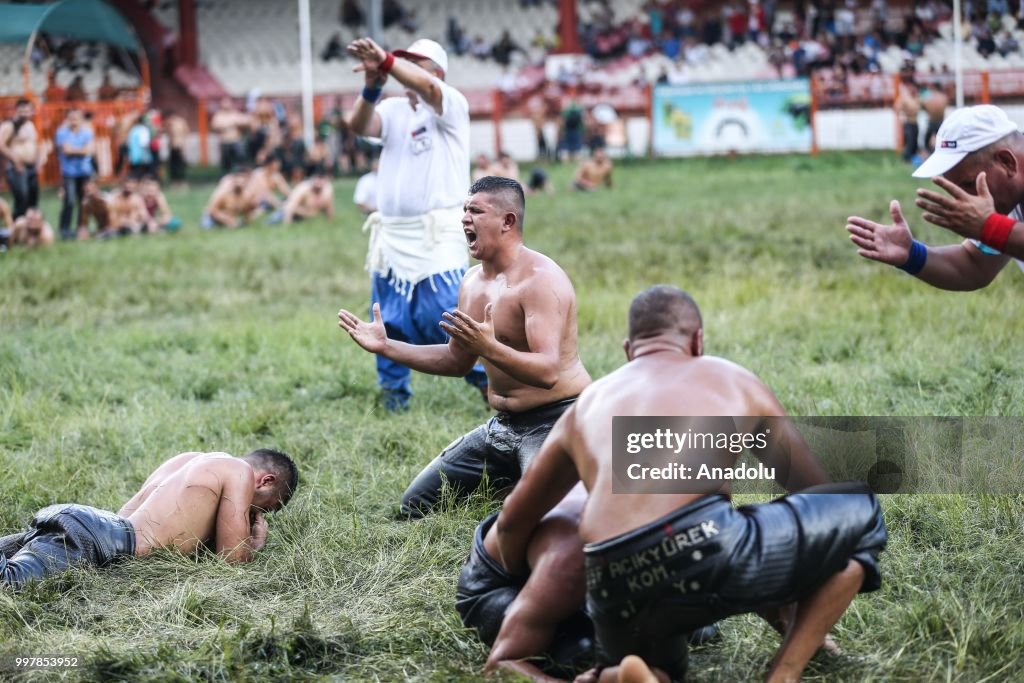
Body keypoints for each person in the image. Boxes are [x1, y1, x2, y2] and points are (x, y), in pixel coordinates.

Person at [492, 286, 888, 683]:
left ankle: (623, 675)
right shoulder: (730, 377)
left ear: (629, 350)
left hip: (610, 578)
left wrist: (507, 578)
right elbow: (811, 489)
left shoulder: (587, 404)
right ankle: (783, 674)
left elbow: (514, 518)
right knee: (857, 512)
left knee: (659, 672)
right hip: (702, 544)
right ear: (697, 341)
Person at [338, 176, 592, 517]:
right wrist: (386, 347)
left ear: (507, 221)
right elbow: (457, 360)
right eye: (463, 210)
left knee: (546, 516)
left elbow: (547, 372)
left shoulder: (540, 281)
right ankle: (510, 480)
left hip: (558, 418)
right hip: (502, 425)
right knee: (414, 506)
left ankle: (530, 482)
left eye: (475, 211)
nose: (464, 219)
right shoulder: (472, 284)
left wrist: (488, 347)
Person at [344, 36, 488, 410]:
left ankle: (492, 383)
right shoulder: (393, 109)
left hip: (436, 234)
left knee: (442, 316)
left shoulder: (450, 104)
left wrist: (387, 61)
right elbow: (358, 124)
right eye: (401, 63)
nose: (403, 72)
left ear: (437, 74)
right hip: (392, 235)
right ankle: (394, 396)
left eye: (414, 64)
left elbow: (424, 87)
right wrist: (373, 85)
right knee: (388, 318)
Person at [1, 449, 297, 590]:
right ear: (264, 481)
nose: (250, 515)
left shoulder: (190, 460)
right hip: (91, 538)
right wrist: (253, 545)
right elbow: (231, 562)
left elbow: (125, 516)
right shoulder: (239, 473)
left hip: (88, 525)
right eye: (259, 510)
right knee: (7, 585)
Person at [847, 104, 1024, 289]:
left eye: (968, 184)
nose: (966, 199)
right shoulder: (1004, 199)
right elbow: (974, 265)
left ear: (1007, 162)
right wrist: (912, 255)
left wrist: (990, 227)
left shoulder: (997, 204)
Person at [55, 107, 95, 241]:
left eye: (76, 118)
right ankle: (64, 228)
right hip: (69, 173)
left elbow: (90, 150)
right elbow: (66, 151)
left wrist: (75, 150)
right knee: (69, 200)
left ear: (81, 119)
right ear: (67, 119)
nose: (74, 121)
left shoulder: (87, 132)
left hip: (84, 172)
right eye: (71, 118)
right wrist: (82, 150)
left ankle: (81, 227)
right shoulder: (61, 133)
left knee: (84, 201)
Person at [0, 98, 43, 219]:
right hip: (17, 167)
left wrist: (38, 161)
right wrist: (15, 159)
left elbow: (35, 144)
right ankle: (17, 225)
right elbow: (0, 144)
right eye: (22, 110)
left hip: (31, 167)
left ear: (32, 111)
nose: (24, 113)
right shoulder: (9, 125)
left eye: (27, 110)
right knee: (22, 197)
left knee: (33, 198)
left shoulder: (30, 125)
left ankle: (30, 228)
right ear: (16, 110)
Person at [211, 98, 249, 174]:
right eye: (224, 103)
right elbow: (214, 126)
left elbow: (247, 121)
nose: (226, 105)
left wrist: (239, 124)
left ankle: (241, 174)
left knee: (240, 158)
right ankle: (226, 176)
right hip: (225, 141)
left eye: (227, 103)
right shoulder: (218, 115)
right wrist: (225, 126)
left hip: (236, 140)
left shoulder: (236, 114)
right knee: (226, 161)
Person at [898, 77, 922, 164]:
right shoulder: (905, 99)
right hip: (908, 122)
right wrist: (903, 115)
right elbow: (897, 108)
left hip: (915, 122)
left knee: (915, 142)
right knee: (910, 142)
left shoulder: (917, 98)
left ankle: (913, 158)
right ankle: (906, 159)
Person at [922, 81, 949, 154]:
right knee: (941, 140)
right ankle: (940, 153)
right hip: (940, 121)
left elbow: (924, 106)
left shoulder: (929, 97)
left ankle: (928, 153)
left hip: (932, 120)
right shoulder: (944, 97)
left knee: (927, 140)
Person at [165, 109, 190, 187]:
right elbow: (166, 132)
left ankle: (182, 181)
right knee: (173, 166)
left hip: (180, 146)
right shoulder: (168, 122)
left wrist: (184, 147)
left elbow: (186, 133)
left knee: (181, 165)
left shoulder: (181, 122)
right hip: (172, 147)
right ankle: (174, 182)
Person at [127, 114, 154, 179]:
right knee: (143, 174)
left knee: (135, 173)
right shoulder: (143, 130)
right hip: (142, 155)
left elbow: (129, 142)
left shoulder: (133, 129)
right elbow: (144, 143)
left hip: (134, 155)